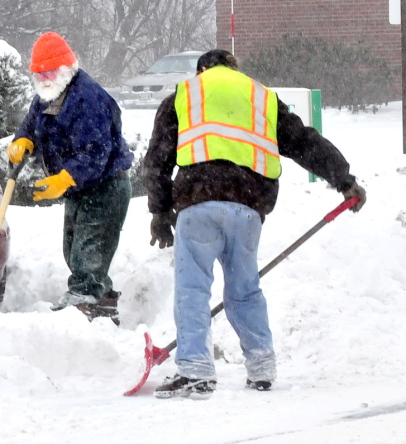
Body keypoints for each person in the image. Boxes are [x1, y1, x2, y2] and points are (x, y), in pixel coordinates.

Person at [142, 49, 366, 399]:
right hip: (248, 206)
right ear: (235, 70)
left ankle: (197, 371)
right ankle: (262, 367)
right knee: (245, 289)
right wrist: (344, 180)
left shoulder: (185, 95)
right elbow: (305, 142)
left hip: (198, 202)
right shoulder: (261, 98)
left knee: (193, 290)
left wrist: (159, 211)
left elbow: (157, 157)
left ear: (203, 69)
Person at [6, 31, 134, 322]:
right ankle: (102, 303)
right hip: (81, 188)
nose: (44, 77)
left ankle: (82, 304)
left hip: (106, 186)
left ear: (66, 69)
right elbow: (31, 124)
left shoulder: (87, 99)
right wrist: (23, 141)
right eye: (39, 73)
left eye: (49, 71)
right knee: (73, 247)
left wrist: (66, 177)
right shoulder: (47, 95)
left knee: (88, 249)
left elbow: (96, 152)